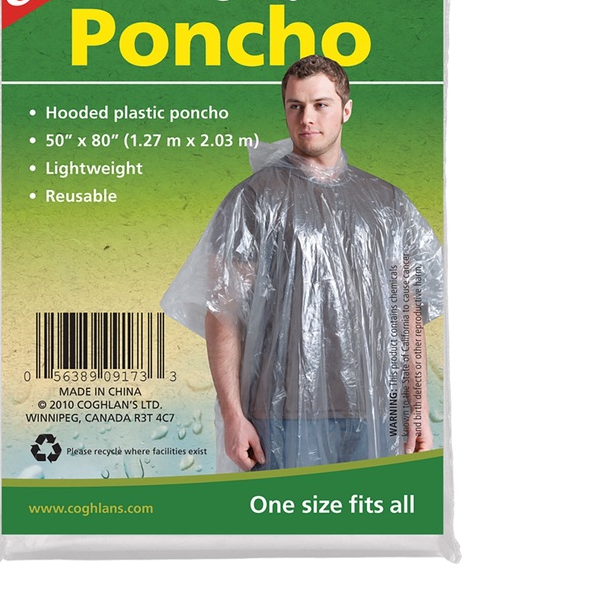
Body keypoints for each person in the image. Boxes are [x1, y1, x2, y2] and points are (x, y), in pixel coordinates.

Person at [161, 56, 443, 472]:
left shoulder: (387, 203)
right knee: (287, 515)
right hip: (280, 414)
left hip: (376, 410)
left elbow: (408, 313)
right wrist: (234, 417)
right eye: (295, 106)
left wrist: (416, 408)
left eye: (320, 104)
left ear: (346, 109)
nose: (307, 117)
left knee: (367, 513)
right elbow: (223, 312)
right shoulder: (254, 199)